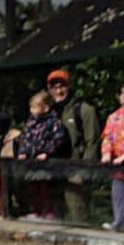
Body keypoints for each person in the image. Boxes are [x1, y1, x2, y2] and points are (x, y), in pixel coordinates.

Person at [47, 69, 101, 223]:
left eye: (62, 86)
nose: (59, 91)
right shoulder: (48, 112)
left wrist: (84, 170)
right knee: (56, 218)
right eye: (54, 87)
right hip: (52, 171)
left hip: (75, 171)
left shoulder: (84, 110)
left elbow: (92, 141)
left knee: (79, 216)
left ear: (69, 86)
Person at [17, 90, 68, 220]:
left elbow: (58, 139)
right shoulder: (30, 123)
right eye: (31, 107)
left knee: (46, 188)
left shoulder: (54, 122)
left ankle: (49, 212)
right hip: (31, 162)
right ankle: (37, 210)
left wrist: (47, 152)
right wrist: (23, 152)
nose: (32, 110)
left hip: (46, 164)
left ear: (45, 108)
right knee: (33, 187)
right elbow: (25, 138)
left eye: (35, 107)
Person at [100, 82, 124, 232]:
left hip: (122, 160)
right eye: (122, 92)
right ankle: (119, 223)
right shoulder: (113, 117)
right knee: (118, 194)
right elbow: (107, 138)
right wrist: (106, 152)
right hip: (117, 167)